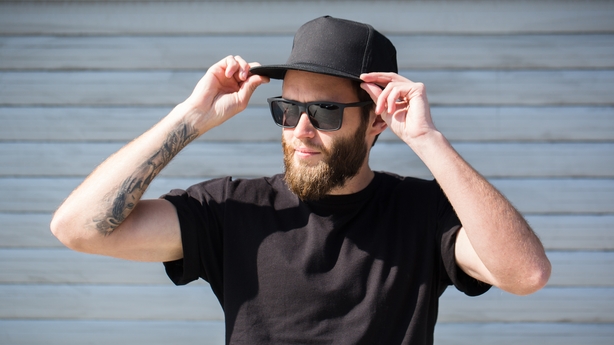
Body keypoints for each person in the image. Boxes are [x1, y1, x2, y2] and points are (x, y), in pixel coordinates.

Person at [51, 16, 551, 344]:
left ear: (376, 120)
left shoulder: (422, 215)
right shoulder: (233, 208)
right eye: (288, 110)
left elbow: (526, 274)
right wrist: (191, 115)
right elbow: (78, 228)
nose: (301, 130)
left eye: (326, 111)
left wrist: (428, 140)